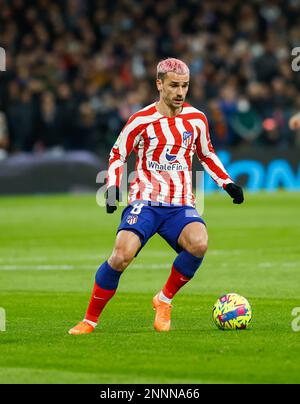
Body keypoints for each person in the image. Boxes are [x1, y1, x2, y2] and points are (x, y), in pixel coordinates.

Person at [69, 58, 244, 335]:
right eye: (174, 85)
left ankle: (164, 300)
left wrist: (227, 183)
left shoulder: (196, 119)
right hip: (145, 201)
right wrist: (113, 187)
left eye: (185, 86)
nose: (180, 92)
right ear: (159, 84)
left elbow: (207, 154)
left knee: (199, 243)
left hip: (180, 204)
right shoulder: (140, 120)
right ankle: (89, 320)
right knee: (121, 256)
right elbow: (118, 153)